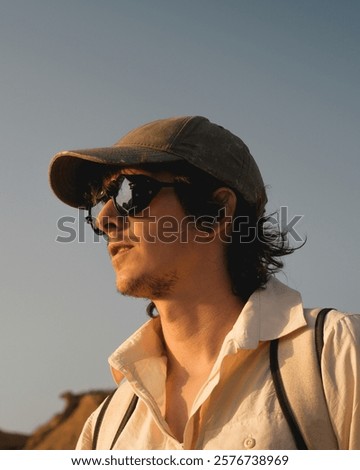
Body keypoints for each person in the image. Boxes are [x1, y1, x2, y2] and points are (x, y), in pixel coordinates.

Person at [49, 115, 360, 450]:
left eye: (130, 192)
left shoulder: (335, 353)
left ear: (218, 210)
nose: (104, 218)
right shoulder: (105, 430)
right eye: (101, 199)